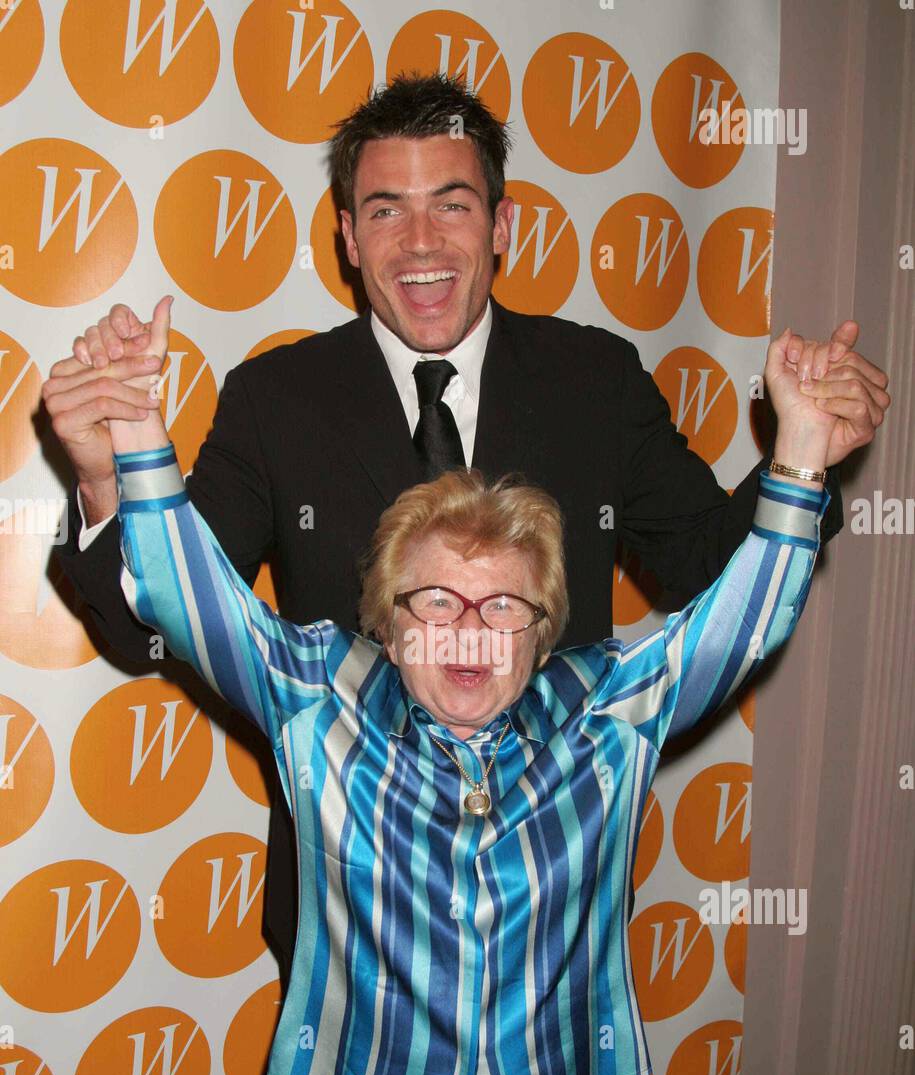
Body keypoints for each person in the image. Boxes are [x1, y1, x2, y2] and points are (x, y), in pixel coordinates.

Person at [43, 73, 890, 1010]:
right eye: (385, 209)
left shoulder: (595, 381)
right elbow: (158, 625)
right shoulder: (275, 399)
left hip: (555, 922)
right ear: (347, 235)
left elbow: (704, 564)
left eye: (452, 204)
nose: (419, 243)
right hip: (346, 934)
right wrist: (99, 478)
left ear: (503, 225)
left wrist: (802, 463)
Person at [97, 295, 831, 1075]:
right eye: (435, 601)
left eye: (505, 607)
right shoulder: (320, 697)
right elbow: (191, 595)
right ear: (390, 626)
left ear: (542, 630)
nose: (469, 632)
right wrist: (138, 428)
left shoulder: (606, 711)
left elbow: (741, 621)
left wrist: (802, 455)